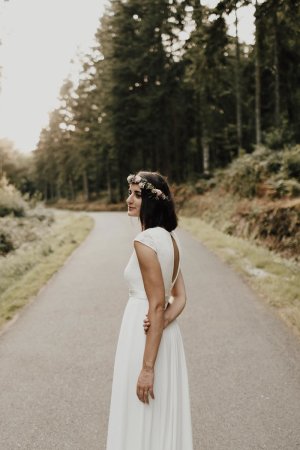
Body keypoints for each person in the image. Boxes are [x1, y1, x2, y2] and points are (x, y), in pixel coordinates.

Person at [106, 171, 194, 450]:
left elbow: (157, 303)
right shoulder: (169, 239)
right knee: (159, 412)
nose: (128, 199)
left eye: (137, 194)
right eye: (130, 192)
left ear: (153, 202)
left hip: (145, 338)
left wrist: (147, 368)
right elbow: (179, 298)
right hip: (164, 335)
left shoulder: (144, 242)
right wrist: (164, 321)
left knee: (141, 407)